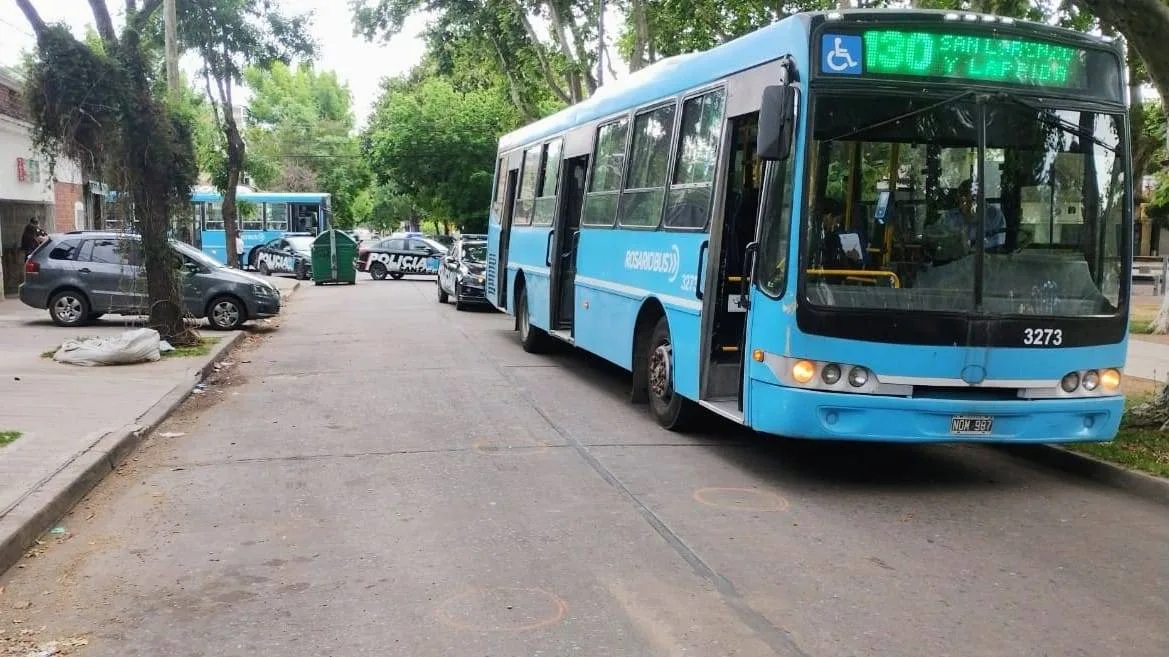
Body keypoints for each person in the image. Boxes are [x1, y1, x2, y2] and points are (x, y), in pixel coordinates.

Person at [942, 179, 1007, 251]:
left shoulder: (994, 215)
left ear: (981, 199)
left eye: (970, 202)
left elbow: (999, 242)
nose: (965, 206)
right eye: (962, 201)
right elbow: (939, 239)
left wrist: (973, 248)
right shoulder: (950, 217)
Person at [817, 198, 866, 269]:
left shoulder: (835, 236)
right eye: (836, 220)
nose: (837, 224)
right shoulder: (819, 234)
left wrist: (849, 257)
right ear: (828, 217)